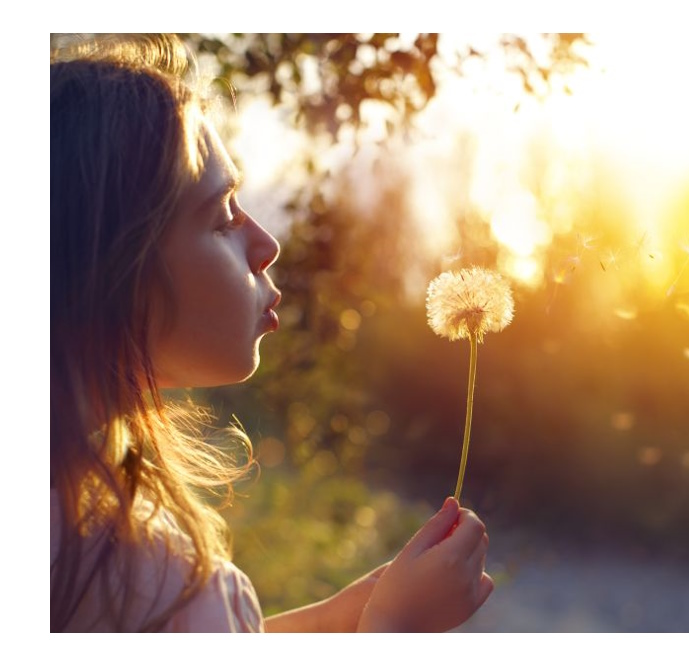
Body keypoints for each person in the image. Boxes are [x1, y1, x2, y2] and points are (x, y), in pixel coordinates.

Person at [50, 34, 494, 632]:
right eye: (223, 216)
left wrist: (339, 619)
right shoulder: (158, 578)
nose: (266, 244)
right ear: (115, 274)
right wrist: (392, 630)